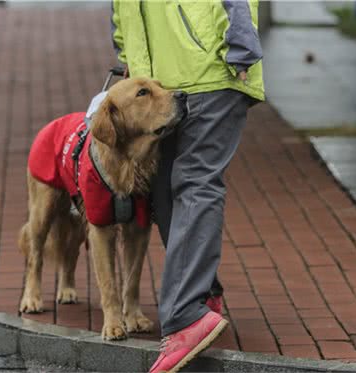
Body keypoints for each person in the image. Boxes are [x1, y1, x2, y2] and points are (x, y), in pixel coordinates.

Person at [111, 1, 264, 371]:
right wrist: (129, 58)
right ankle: (205, 296)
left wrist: (240, 48)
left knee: (195, 182)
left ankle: (185, 317)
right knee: (162, 195)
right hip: (165, 86)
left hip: (213, 70)